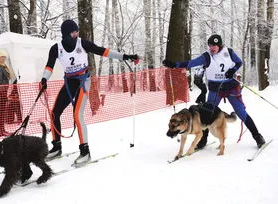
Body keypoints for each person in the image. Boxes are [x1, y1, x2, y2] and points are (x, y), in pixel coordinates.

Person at [40, 19, 139, 166]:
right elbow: (49, 66)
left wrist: (125, 56)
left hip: (83, 81)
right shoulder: (56, 48)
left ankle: (85, 151)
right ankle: (56, 146)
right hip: (69, 82)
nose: (76, 34)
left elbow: (103, 51)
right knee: (55, 113)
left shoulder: (82, 43)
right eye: (74, 32)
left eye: (77, 31)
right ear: (67, 34)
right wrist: (44, 79)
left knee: (77, 115)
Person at [163, 34, 266, 149]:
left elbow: (239, 63)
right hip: (215, 90)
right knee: (207, 114)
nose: (212, 48)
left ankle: (257, 137)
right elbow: (190, 63)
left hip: (231, 87)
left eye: (215, 46)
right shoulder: (207, 56)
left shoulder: (229, 52)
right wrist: (174, 65)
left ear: (220, 45)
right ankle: (203, 140)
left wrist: (232, 70)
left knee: (241, 113)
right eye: (211, 45)